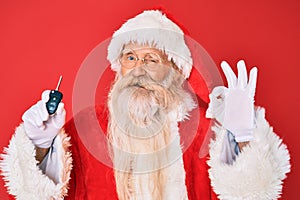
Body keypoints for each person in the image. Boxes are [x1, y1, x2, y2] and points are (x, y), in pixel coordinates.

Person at [0, 10, 290, 200]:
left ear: (175, 71)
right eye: (130, 58)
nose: (138, 69)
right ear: (118, 67)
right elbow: (41, 194)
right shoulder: (88, 125)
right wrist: (39, 146)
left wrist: (242, 137)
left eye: (152, 59)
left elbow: (250, 193)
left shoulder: (204, 129)